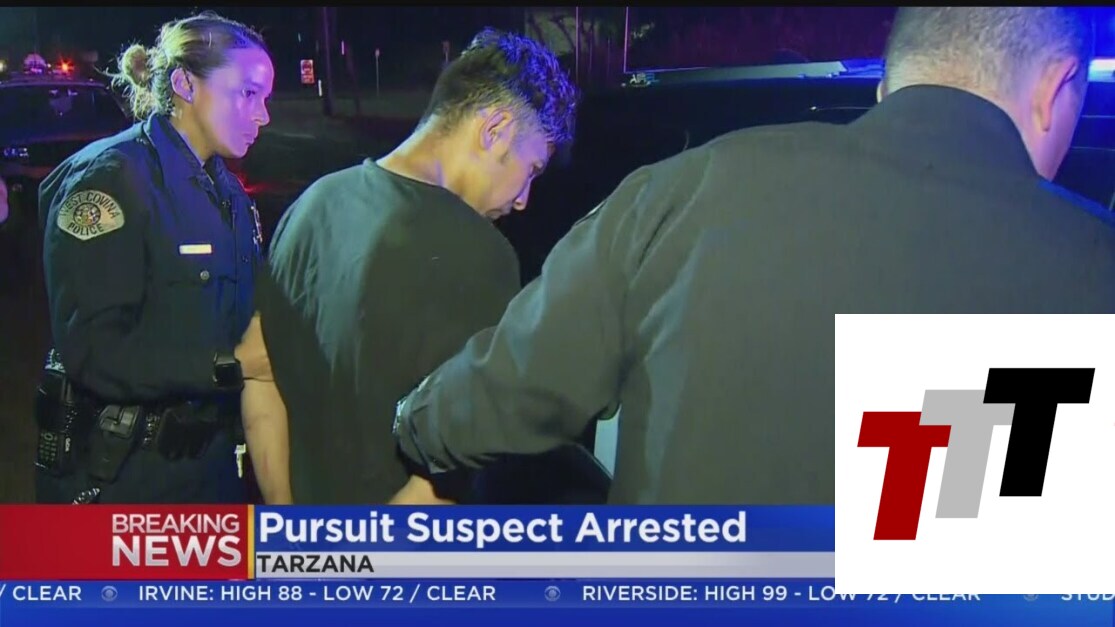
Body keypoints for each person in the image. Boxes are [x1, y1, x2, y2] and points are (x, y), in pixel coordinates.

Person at [390, 7, 1115, 505]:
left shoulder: (685, 193)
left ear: (887, 84)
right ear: (1056, 89)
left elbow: (503, 391)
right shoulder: (1091, 265)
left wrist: (416, 425)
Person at [241, 28, 585, 505]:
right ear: (495, 130)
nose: (524, 199)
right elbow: (443, 479)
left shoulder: (314, 204)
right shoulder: (480, 254)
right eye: (531, 170)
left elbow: (259, 374)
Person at [34, 12, 275, 504]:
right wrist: (231, 364)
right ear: (185, 84)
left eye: (265, 98)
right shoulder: (110, 180)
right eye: (248, 93)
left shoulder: (230, 195)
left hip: (212, 472)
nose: (263, 115)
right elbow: (93, 352)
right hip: (123, 479)